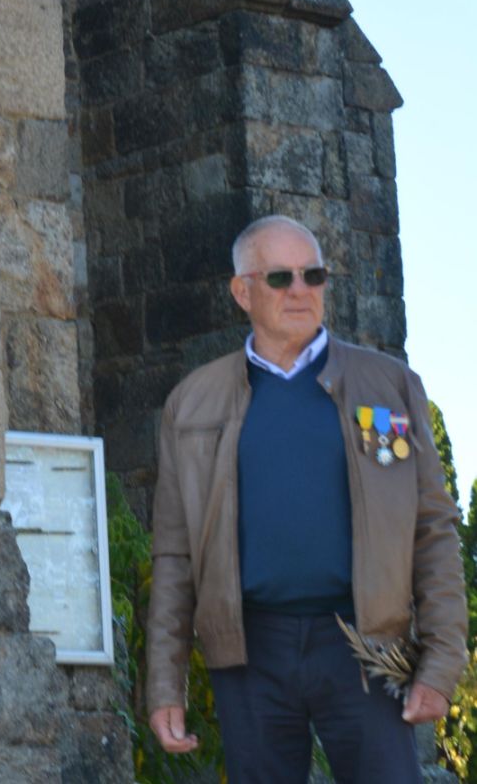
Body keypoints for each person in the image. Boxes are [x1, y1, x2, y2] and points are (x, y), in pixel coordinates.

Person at [146, 214, 466, 782]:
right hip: (250, 652)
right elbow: (174, 556)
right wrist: (166, 684)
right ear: (242, 292)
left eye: (313, 275)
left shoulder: (388, 386)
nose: (300, 290)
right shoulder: (192, 403)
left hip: (366, 645)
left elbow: (433, 529)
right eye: (280, 277)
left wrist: (442, 662)